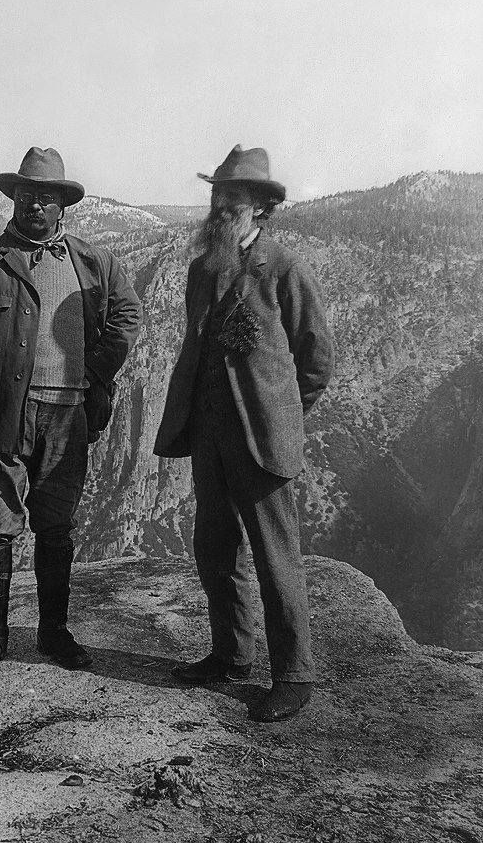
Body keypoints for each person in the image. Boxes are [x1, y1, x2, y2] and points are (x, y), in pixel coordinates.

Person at [0, 146, 142, 678]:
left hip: (69, 415)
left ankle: (54, 631)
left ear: (62, 206)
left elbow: (127, 316)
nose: (36, 206)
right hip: (2, 415)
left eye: (46, 199)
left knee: (56, 528)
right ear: (14, 199)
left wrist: (98, 372)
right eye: (27, 196)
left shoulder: (93, 263)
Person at [154, 145, 334, 722]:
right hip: (209, 435)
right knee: (214, 547)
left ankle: (294, 674)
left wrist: (280, 413)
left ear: (261, 207)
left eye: (233, 197)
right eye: (218, 194)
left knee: (275, 555)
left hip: (262, 439)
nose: (221, 205)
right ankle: (231, 655)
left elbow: (316, 360)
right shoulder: (202, 268)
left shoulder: (283, 268)